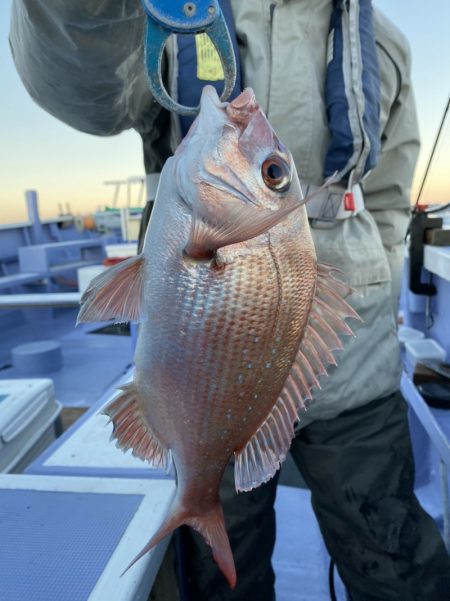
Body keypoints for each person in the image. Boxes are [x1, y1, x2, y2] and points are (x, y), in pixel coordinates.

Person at [10, 1, 450, 600]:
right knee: (225, 580)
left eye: (269, 173)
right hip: (205, 377)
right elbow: (83, 88)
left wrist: (380, 277)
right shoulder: (169, 15)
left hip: (357, 354)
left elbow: (391, 194)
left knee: (393, 555)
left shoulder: (386, 40)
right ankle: (203, 504)